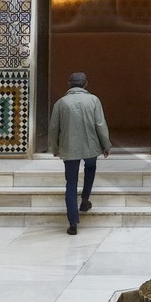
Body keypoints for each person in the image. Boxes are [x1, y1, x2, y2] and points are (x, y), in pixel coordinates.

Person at [48, 71, 111, 234]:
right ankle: (84, 200)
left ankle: (73, 223)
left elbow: (53, 128)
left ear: (69, 84)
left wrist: (55, 148)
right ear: (86, 84)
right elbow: (100, 124)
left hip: (69, 148)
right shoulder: (94, 100)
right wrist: (106, 145)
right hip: (91, 147)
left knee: (71, 183)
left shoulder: (61, 103)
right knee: (90, 169)